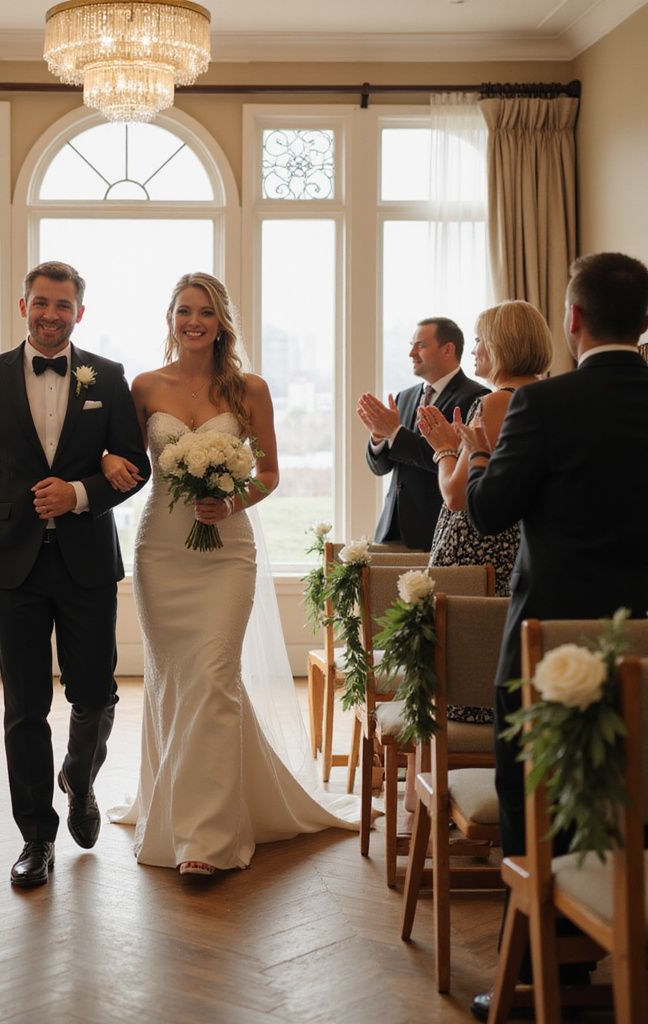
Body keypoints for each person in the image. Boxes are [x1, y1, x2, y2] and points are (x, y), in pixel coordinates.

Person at [102, 272, 359, 876]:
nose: (194, 321)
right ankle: (176, 803)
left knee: (214, 674)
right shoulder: (143, 387)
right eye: (185, 311)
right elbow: (127, 464)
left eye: (206, 312)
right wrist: (107, 459)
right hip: (162, 549)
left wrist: (233, 501)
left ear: (222, 323)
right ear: (171, 318)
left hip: (226, 552)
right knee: (175, 680)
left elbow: (269, 473)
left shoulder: (249, 388)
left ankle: (206, 841)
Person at [463, 253, 648, 1021]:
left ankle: (545, 981)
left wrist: (477, 449)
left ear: (571, 321)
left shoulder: (544, 408)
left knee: (533, 810)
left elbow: (487, 514)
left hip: (552, 651)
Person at [0, 260, 151, 888]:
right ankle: (36, 835)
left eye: (63, 306)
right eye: (41, 303)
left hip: (87, 560)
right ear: (23, 306)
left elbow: (135, 468)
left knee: (97, 693)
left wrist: (80, 493)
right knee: (24, 704)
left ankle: (80, 777)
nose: (50, 315)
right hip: (11, 563)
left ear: (79, 313)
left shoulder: (109, 376)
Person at [415, 301, 553, 724]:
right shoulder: (547, 397)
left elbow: (456, 495)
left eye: (478, 340)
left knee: (463, 671)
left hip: (475, 543)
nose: (473, 351)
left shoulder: (495, 404)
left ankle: (446, 767)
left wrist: (443, 447)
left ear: (500, 345)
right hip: (519, 541)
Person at [358, 318, 487, 551]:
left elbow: (449, 459)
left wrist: (395, 434)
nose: (411, 353)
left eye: (420, 346)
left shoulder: (476, 397)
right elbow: (381, 468)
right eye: (411, 345)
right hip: (391, 529)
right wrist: (379, 439)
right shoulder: (404, 397)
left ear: (448, 349)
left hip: (437, 531)